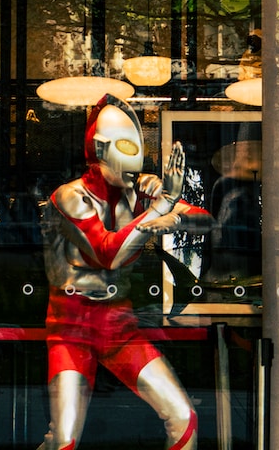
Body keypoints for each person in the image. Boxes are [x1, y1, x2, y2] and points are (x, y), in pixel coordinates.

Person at [39, 94, 212, 450]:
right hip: (71, 326)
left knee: (184, 418)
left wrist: (169, 212)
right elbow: (108, 255)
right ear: (99, 150)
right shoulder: (70, 197)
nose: (131, 157)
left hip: (119, 323)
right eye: (122, 146)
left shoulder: (137, 194)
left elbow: (205, 221)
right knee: (64, 439)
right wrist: (159, 208)